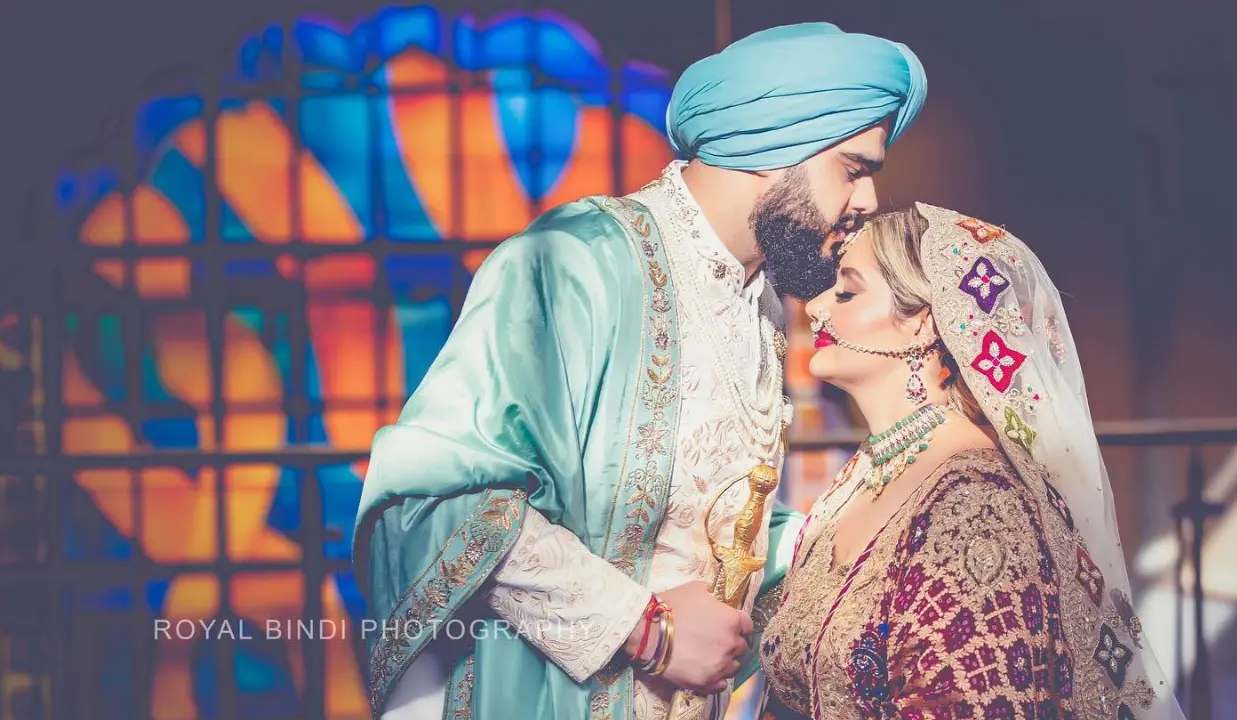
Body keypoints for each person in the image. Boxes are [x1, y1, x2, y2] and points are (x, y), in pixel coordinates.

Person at [351, 22, 928, 720]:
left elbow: (708, 529)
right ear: (774, 149)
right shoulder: (574, 263)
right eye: (855, 168)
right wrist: (647, 630)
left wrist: (864, 537)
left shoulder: (763, 305)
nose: (866, 202)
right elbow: (435, 501)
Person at [758, 203, 1185, 719]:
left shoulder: (979, 507)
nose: (817, 307)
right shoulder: (865, 471)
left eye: (847, 291)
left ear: (923, 323)